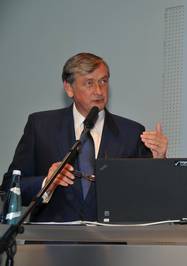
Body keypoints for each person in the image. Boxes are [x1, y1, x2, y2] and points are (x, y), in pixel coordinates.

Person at [1, 52, 168, 222]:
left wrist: (159, 162)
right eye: (89, 83)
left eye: (103, 81)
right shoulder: (41, 126)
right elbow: (9, 186)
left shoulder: (131, 133)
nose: (98, 90)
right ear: (69, 88)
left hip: (111, 245)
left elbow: (150, 197)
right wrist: (46, 184)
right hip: (50, 244)